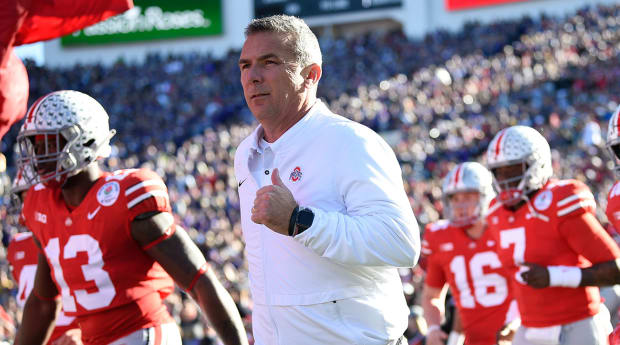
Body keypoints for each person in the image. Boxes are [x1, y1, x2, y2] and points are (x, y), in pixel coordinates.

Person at [234, 14, 420, 345]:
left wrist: (299, 221)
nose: (253, 76)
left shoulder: (350, 142)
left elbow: (400, 243)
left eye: (269, 62)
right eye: (245, 65)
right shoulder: (245, 154)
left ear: (311, 74)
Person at [13, 90, 248, 345]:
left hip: (142, 333)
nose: (38, 155)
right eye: (35, 144)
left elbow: (199, 280)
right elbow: (43, 303)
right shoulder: (41, 205)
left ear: (86, 140)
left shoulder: (125, 196)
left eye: (48, 143)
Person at [485, 125, 620, 345]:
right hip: (531, 327)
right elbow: (514, 277)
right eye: (499, 172)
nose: (506, 179)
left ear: (536, 164)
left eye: (514, 170)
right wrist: (514, 318)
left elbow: (615, 269)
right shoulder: (495, 213)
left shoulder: (559, 201)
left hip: (578, 323)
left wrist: (555, 276)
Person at [421, 162, 518, 345]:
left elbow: (531, 286)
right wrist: (433, 328)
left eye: (468, 197)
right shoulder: (439, 236)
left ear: (485, 196)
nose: (460, 205)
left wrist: (519, 321)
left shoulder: (507, 227)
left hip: (515, 336)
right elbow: (431, 295)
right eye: (455, 199)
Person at [7, 167, 82, 345]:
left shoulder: (79, 234)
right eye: (24, 198)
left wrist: (81, 333)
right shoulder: (16, 246)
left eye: (34, 197)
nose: (29, 206)